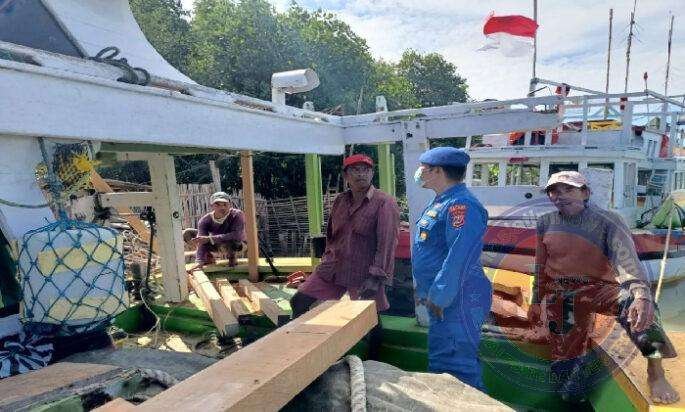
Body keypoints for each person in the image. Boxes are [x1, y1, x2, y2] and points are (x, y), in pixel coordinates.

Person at [530, 170, 679, 404]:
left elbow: (627, 262)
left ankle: (656, 370)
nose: (560, 195)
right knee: (567, 382)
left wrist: (641, 293)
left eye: (568, 189)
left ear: (585, 193)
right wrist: (536, 301)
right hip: (563, 295)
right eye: (554, 191)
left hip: (601, 289)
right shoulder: (545, 222)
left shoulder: (608, 220)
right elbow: (540, 266)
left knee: (640, 305)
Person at [411, 146, 492, 391]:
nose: (419, 172)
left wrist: (439, 296)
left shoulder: (461, 205)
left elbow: (460, 256)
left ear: (437, 171)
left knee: (455, 370)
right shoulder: (443, 201)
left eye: (424, 168)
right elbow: (434, 252)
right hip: (447, 298)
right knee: (448, 364)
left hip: (457, 299)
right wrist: (425, 291)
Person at [290, 154, 400, 318]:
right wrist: (326, 258)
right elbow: (331, 235)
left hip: (364, 272)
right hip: (334, 268)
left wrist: (376, 277)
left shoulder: (384, 202)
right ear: (346, 175)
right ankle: (299, 334)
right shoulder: (340, 201)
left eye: (366, 170)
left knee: (368, 319)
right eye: (355, 170)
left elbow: (387, 243)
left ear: (372, 174)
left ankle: (373, 335)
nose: (361, 174)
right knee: (298, 301)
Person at [184, 191, 247, 270]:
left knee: (231, 239)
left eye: (225, 204)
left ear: (230, 205)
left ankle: (232, 259)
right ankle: (208, 257)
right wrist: (199, 261)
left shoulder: (237, 215)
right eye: (217, 205)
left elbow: (237, 235)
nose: (222, 207)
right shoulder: (205, 220)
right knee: (188, 233)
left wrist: (210, 239)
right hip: (217, 243)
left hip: (238, 244)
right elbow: (201, 240)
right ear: (211, 206)